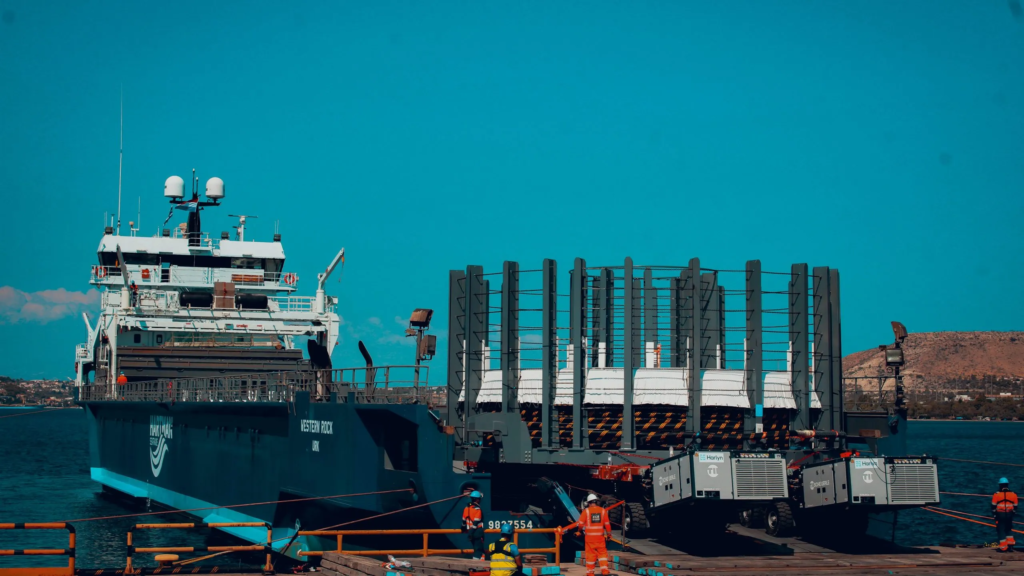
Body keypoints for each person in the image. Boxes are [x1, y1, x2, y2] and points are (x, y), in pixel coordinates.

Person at [562, 494, 611, 576]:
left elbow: (580, 524)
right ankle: (605, 571)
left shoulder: (586, 511)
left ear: (589, 503)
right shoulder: (603, 511)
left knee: (590, 555)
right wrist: (609, 535)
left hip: (590, 539)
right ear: (596, 502)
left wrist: (579, 531)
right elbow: (607, 525)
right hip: (600, 538)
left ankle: (590, 572)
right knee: (602, 555)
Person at [992, 477, 1018, 552]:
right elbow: (1015, 506)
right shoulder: (1013, 494)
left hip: (1000, 514)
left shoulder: (996, 494)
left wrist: (994, 515)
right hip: (1010, 514)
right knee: (1009, 529)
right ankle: (1010, 546)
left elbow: (993, 506)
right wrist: (1012, 513)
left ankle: (1003, 547)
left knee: (1001, 530)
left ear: (1000, 485)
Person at [462, 490, 485, 560]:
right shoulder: (477, 509)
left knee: (476, 550)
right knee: (479, 551)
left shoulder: (466, 508)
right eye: (479, 499)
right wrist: (471, 533)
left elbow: (463, 522)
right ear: (477, 500)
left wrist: (466, 531)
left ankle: (478, 565)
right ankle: (476, 566)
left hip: (470, 532)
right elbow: (476, 523)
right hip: (477, 532)